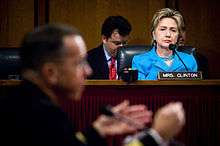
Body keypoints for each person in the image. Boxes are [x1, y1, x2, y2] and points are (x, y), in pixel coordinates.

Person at [0, 24, 185, 146]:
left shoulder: (23, 102)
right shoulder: (41, 116)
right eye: (79, 63)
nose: (88, 71)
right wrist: (154, 137)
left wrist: (96, 131)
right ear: (50, 72)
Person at [132, 8, 198, 80]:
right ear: (154, 34)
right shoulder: (140, 61)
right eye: (163, 29)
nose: (168, 34)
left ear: (178, 36)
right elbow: (140, 90)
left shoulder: (188, 60)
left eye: (173, 30)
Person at [87, 15, 131, 79]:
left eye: (124, 43)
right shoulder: (89, 59)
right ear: (104, 39)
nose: (122, 47)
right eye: (117, 43)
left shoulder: (133, 60)